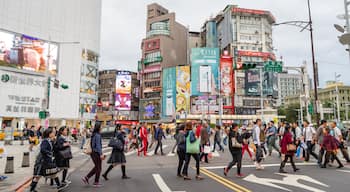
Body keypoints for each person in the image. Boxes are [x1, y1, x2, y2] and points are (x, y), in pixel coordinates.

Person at [29, 127, 67, 192]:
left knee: (53, 173)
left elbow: (54, 148)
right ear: (49, 134)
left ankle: (59, 185)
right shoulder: (45, 141)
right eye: (53, 132)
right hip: (42, 162)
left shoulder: (49, 141)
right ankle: (32, 189)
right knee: (38, 176)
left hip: (46, 161)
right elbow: (43, 150)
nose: (54, 133)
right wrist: (50, 154)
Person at [82, 122, 105, 187]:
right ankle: (96, 182)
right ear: (99, 127)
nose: (102, 127)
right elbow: (98, 146)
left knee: (97, 167)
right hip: (96, 153)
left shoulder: (94, 134)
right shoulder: (97, 135)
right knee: (98, 168)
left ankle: (86, 178)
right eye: (101, 126)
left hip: (93, 153)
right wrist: (101, 154)